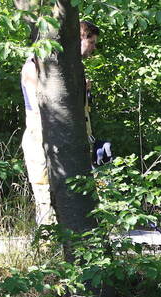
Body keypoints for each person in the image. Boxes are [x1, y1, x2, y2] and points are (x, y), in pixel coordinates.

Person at [21, 20, 101, 225]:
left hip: (73, 144)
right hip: (43, 143)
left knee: (79, 196)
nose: (94, 48)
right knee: (47, 197)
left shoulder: (74, 70)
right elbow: (43, 109)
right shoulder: (36, 66)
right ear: (78, 39)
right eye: (90, 42)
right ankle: (49, 248)